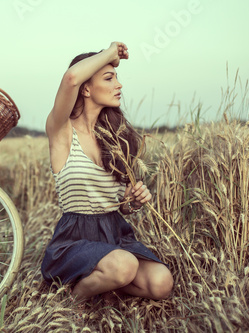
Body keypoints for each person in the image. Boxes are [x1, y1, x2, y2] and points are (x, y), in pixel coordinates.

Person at [41, 42, 173, 303]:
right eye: (109, 77)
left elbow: (119, 206)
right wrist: (109, 54)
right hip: (75, 239)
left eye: (117, 77)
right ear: (86, 88)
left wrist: (132, 202)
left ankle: (104, 284)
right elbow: (70, 78)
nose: (119, 85)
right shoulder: (62, 131)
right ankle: (73, 300)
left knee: (161, 282)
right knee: (123, 265)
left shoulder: (113, 138)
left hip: (115, 233)